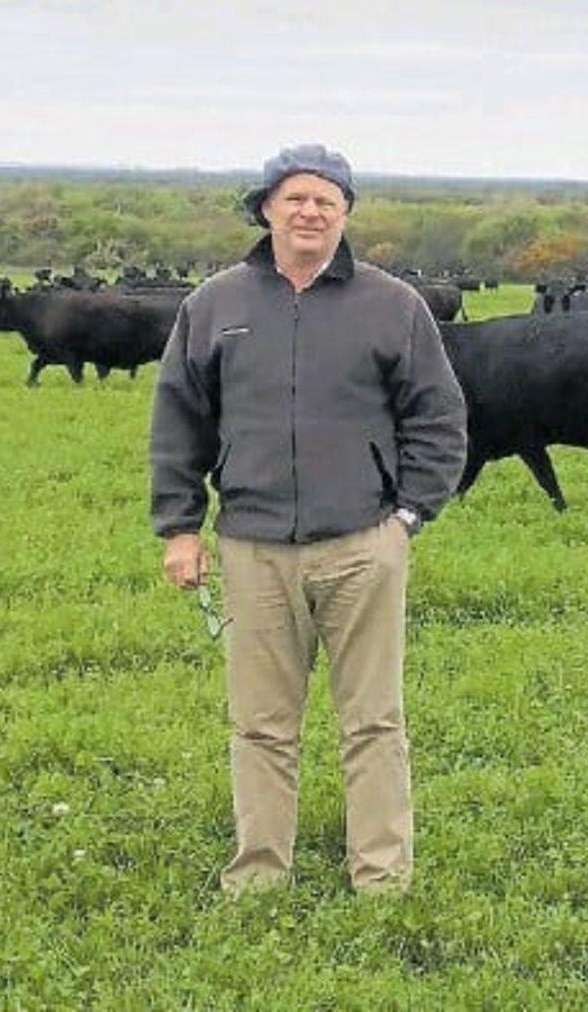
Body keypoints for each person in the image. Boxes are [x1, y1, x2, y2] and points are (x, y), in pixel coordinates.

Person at [149, 143, 468, 894]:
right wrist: (180, 526)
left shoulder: (393, 306)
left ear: (347, 213)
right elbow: (178, 419)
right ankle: (260, 874)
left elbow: (439, 416)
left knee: (374, 723)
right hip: (252, 548)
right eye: (295, 197)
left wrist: (408, 516)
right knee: (260, 725)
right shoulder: (217, 305)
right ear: (266, 209)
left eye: (327, 199)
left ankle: (383, 877)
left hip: (363, 545)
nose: (310, 211)